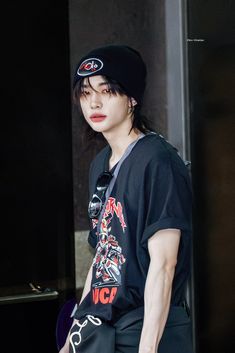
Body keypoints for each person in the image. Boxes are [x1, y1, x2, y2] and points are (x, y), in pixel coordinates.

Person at [59, 44, 193, 353]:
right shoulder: (100, 163)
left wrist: (148, 349)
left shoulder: (157, 161)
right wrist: (71, 338)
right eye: (85, 93)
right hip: (102, 329)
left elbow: (164, 264)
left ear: (132, 97)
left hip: (146, 330)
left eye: (106, 90)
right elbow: (104, 254)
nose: (94, 102)